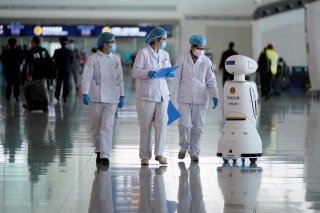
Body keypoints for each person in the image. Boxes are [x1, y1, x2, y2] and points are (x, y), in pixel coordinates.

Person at [168, 34, 218, 162]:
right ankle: (184, 146)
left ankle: (194, 152)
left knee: (198, 127)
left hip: (201, 99)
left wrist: (215, 96)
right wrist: (168, 93)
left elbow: (211, 81)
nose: (201, 51)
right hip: (184, 97)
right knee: (184, 124)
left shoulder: (207, 61)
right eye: (199, 48)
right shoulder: (182, 59)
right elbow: (175, 78)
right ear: (193, 47)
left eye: (203, 48)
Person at [132, 27, 175, 166]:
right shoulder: (143, 53)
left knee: (162, 124)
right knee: (145, 126)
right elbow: (135, 72)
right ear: (156, 39)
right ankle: (144, 156)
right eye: (163, 39)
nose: (165, 42)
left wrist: (170, 73)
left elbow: (167, 70)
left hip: (163, 95)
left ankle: (160, 153)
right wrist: (148, 73)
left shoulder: (165, 54)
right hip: (147, 95)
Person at [81, 32, 125, 166]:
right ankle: (99, 150)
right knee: (96, 128)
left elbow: (120, 79)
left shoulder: (116, 59)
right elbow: (87, 77)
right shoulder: (93, 58)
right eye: (112, 42)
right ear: (105, 44)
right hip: (96, 97)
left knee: (107, 126)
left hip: (112, 98)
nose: (114, 44)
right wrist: (85, 92)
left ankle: (105, 155)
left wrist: (122, 95)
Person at [23, 36, 53, 110]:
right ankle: (45, 106)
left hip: (34, 74)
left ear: (33, 42)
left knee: (29, 89)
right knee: (44, 89)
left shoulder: (30, 52)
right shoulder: (44, 51)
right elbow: (49, 62)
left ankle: (30, 105)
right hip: (44, 74)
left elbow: (28, 64)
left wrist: (28, 75)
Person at [0, 37, 23, 102]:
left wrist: (5, 64)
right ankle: (16, 96)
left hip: (8, 70)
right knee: (16, 84)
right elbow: (22, 59)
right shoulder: (18, 50)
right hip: (16, 70)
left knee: (9, 84)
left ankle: (8, 97)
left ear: (9, 43)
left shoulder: (5, 51)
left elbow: (1, 59)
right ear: (15, 43)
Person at [53, 36, 73, 103]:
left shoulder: (56, 51)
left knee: (58, 84)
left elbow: (54, 60)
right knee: (66, 84)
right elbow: (71, 60)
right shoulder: (69, 51)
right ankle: (65, 97)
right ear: (66, 43)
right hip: (66, 70)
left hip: (59, 70)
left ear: (60, 42)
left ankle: (57, 96)